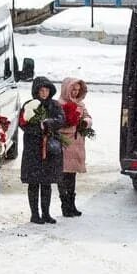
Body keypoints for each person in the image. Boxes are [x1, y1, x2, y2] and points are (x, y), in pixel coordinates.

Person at [19, 76, 65, 224]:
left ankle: (46, 213)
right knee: (34, 182)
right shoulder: (29, 104)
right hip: (33, 148)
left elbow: (61, 120)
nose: (44, 93)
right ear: (36, 91)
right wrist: (37, 129)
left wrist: (49, 124)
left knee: (47, 182)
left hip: (50, 149)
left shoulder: (55, 105)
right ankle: (34, 214)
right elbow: (23, 123)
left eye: (46, 90)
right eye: (41, 90)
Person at [58, 78, 91, 217]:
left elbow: (88, 117)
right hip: (64, 143)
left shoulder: (80, 104)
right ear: (67, 89)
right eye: (73, 89)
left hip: (76, 145)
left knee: (72, 175)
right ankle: (65, 205)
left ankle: (72, 204)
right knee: (63, 175)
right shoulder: (59, 104)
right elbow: (57, 123)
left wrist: (85, 122)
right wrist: (70, 123)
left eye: (78, 90)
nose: (75, 92)